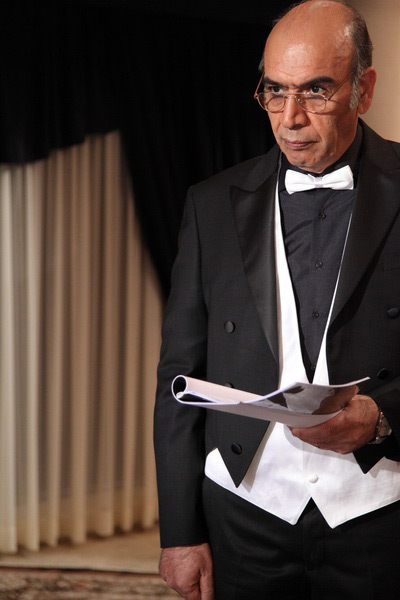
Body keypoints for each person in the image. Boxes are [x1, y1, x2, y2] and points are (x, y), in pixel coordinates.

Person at [154, 1, 400, 598]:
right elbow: (179, 376)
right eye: (274, 91)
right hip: (246, 508)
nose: (290, 118)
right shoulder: (210, 204)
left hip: (381, 512)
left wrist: (382, 415)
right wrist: (180, 533)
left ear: (364, 89)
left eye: (315, 91)